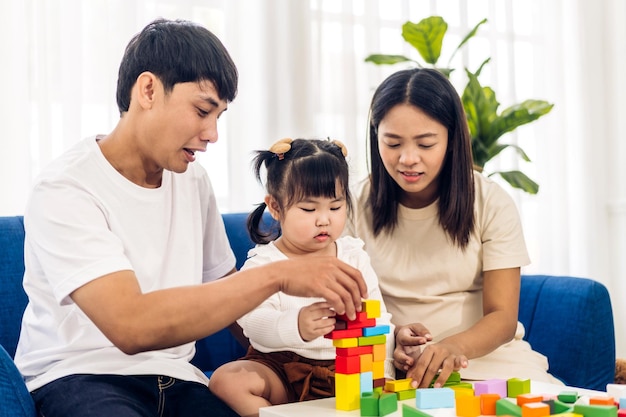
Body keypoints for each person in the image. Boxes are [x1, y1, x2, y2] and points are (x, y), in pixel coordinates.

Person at [14, 19, 368, 417]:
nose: (213, 133)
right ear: (147, 90)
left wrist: (306, 349)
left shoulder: (192, 179)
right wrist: (278, 275)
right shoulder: (66, 188)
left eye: (219, 116)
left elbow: (226, 293)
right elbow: (130, 326)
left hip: (179, 378)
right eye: (202, 110)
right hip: (82, 377)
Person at [349, 68, 563, 389]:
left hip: (487, 360)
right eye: (392, 143)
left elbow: (502, 317)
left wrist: (453, 347)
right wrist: (393, 340)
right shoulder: (352, 206)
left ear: (451, 139)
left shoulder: (490, 202)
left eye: (425, 143)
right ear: (375, 136)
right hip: (392, 366)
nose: (408, 158)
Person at [209, 138, 395, 417]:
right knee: (227, 380)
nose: (324, 220)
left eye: (335, 207)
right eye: (309, 209)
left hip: (348, 372)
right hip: (281, 369)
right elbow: (252, 326)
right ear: (275, 207)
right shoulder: (265, 263)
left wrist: (384, 373)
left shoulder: (353, 255)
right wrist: (294, 326)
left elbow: (379, 321)